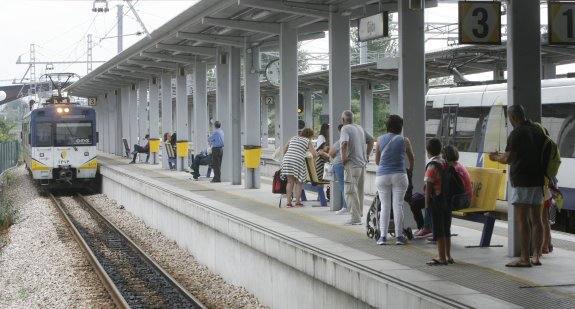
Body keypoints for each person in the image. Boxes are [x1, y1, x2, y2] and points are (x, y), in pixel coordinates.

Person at [489, 104, 546, 267]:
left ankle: (524, 258)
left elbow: (509, 158)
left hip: (522, 181)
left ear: (513, 117)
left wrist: (496, 158)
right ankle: (536, 256)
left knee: (523, 220)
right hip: (538, 180)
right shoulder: (537, 130)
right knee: (537, 219)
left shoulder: (516, 133)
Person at [375, 115, 415, 245]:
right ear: (400, 127)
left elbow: (377, 161)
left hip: (382, 176)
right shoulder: (404, 140)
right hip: (399, 175)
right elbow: (412, 158)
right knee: (398, 205)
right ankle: (399, 237)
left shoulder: (380, 139)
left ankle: (382, 237)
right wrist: (410, 170)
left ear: (387, 126)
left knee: (385, 206)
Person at [340, 110, 374, 225]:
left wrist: (343, 158)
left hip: (352, 165)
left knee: (350, 191)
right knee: (359, 191)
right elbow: (371, 140)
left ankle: (355, 218)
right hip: (362, 165)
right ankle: (359, 215)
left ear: (344, 120)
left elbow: (344, 144)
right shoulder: (359, 128)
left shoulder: (345, 128)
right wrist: (367, 155)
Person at [424, 138, 451, 265]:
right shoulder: (445, 162)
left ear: (428, 151)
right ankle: (448, 256)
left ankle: (441, 258)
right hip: (447, 199)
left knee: (439, 229)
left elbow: (429, 185)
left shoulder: (432, 165)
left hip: (437, 200)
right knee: (446, 228)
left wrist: (426, 202)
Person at [281, 128, 317, 208]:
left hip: (287, 160)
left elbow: (284, 149)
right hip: (298, 161)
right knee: (299, 182)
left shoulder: (293, 138)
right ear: (309, 136)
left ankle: (288, 203)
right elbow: (314, 154)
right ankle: (297, 202)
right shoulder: (307, 141)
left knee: (290, 182)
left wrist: (285, 158)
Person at [329, 125, 348, 214]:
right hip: (349, 165)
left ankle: (345, 206)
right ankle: (348, 206)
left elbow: (331, 153)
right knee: (349, 186)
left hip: (339, 164)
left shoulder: (340, 141)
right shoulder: (353, 140)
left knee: (342, 186)